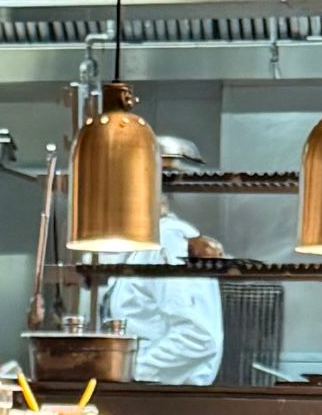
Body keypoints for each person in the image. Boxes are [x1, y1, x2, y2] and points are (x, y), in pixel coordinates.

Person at [87, 136, 226, 386]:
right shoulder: (132, 245)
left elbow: (198, 338)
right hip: (134, 391)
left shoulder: (170, 241)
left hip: (166, 396)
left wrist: (130, 372)